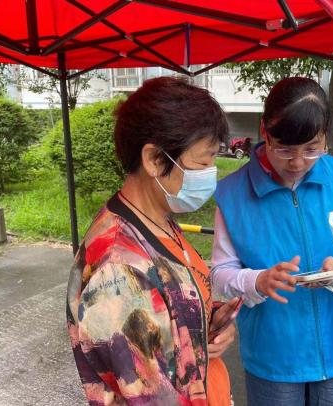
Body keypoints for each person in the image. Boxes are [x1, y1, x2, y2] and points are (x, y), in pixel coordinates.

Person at [67, 77, 239, 406]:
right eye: (203, 161)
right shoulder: (118, 272)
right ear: (155, 159)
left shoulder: (157, 218)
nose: (212, 171)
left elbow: (173, 305)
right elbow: (150, 398)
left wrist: (210, 326)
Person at [211, 77, 333, 405]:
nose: (298, 163)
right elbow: (220, 274)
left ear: (325, 137)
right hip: (274, 357)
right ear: (265, 130)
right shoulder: (232, 194)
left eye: (312, 149)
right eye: (284, 149)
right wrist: (258, 281)